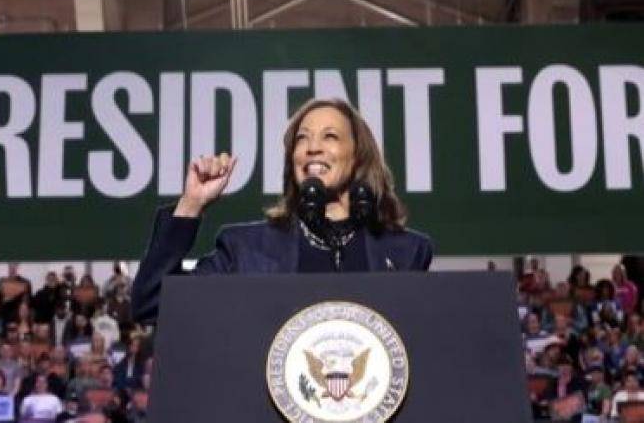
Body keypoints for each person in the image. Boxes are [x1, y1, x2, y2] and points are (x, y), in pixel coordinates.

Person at [132, 98, 433, 323]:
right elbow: (153, 303)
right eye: (302, 138)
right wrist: (191, 204)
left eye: (330, 136)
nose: (312, 147)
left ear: (358, 156)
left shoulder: (406, 253)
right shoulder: (246, 250)